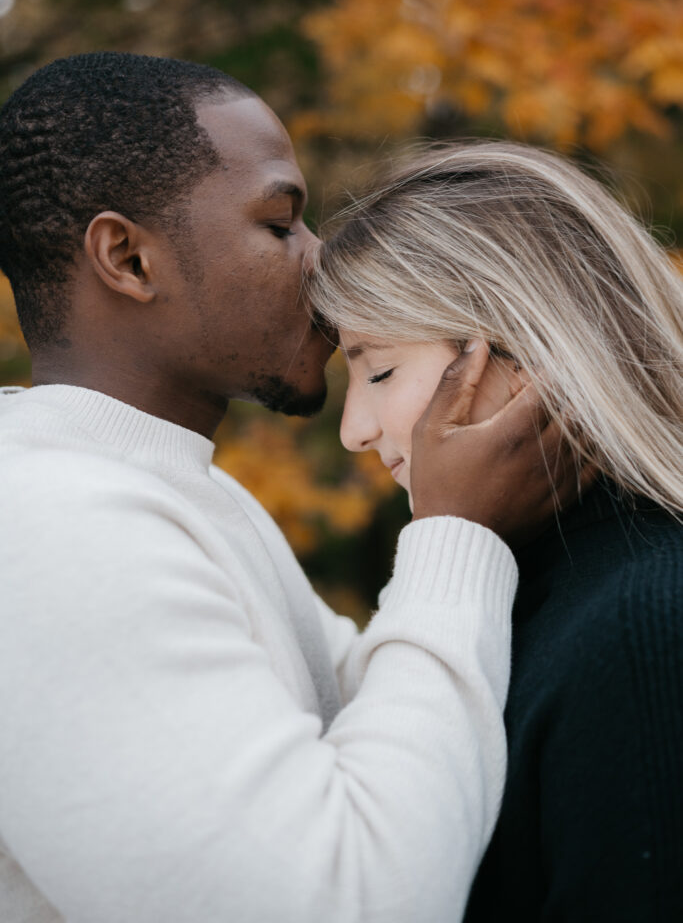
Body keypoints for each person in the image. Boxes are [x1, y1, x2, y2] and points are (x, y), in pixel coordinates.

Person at [0, 54, 579, 923]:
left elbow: (375, 711)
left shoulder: (176, 494)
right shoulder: (53, 530)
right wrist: (458, 537)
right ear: (128, 258)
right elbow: (348, 903)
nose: (321, 260)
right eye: (280, 225)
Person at [308, 139, 683, 921]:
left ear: (525, 354)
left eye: (377, 371)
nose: (353, 429)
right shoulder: (513, 600)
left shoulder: (646, 621)